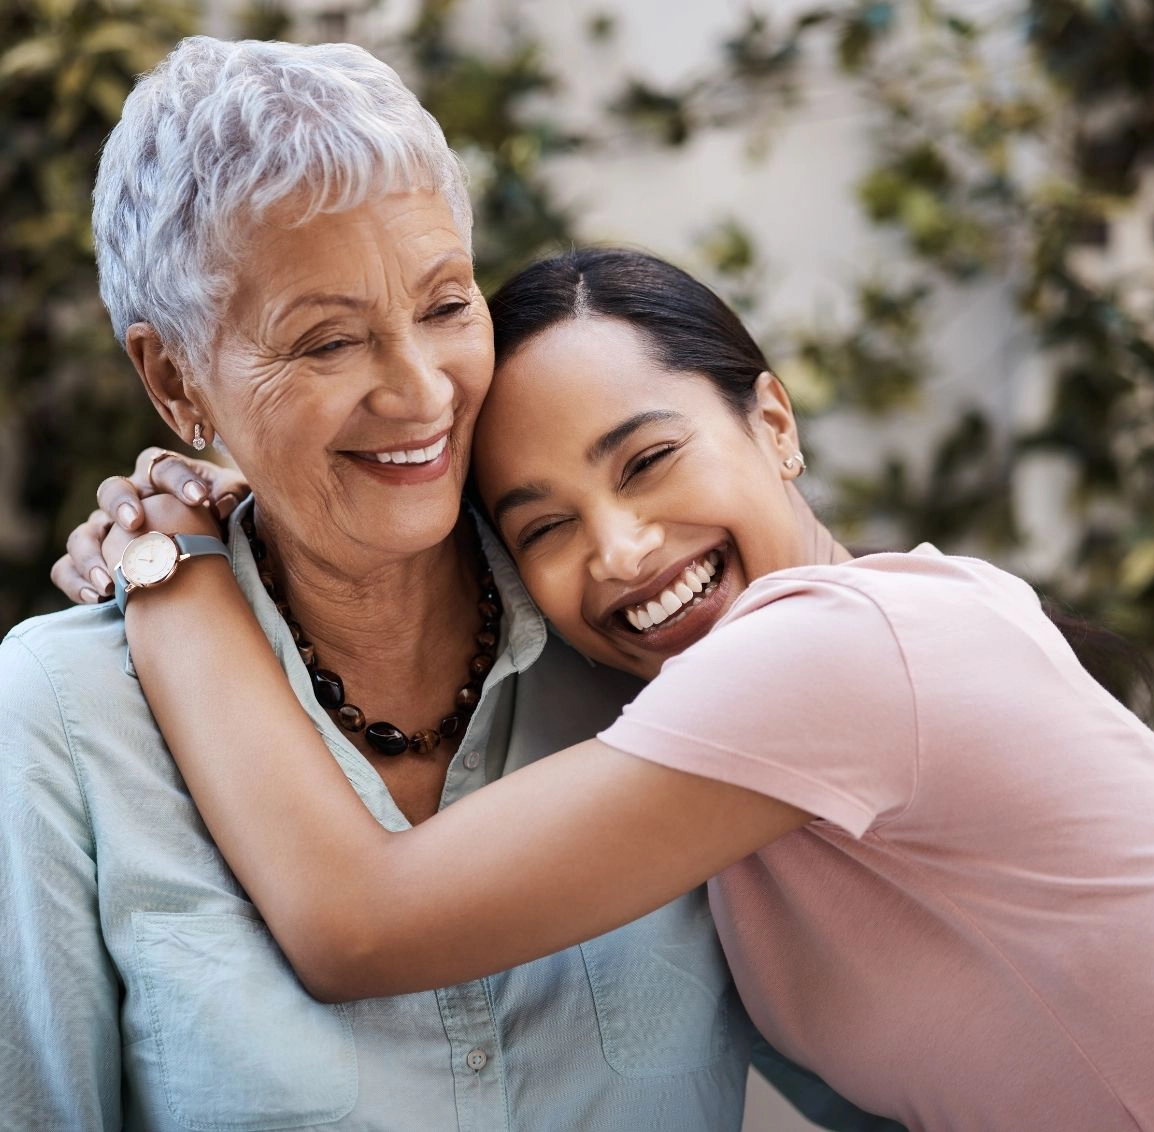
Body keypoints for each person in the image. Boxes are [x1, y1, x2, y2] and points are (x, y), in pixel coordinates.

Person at [1, 37, 895, 1132]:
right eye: (328, 341)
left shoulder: (638, 636)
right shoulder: (63, 715)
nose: (419, 392)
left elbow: (914, 1067)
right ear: (174, 377)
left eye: (443, 306)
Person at [58, 248, 1154, 1132]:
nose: (623, 550)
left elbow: (355, 925)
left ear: (772, 423)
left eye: (646, 460)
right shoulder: (710, 743)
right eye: (544, 525)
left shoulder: (841, 651)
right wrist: (278, 489)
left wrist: (175, 566)